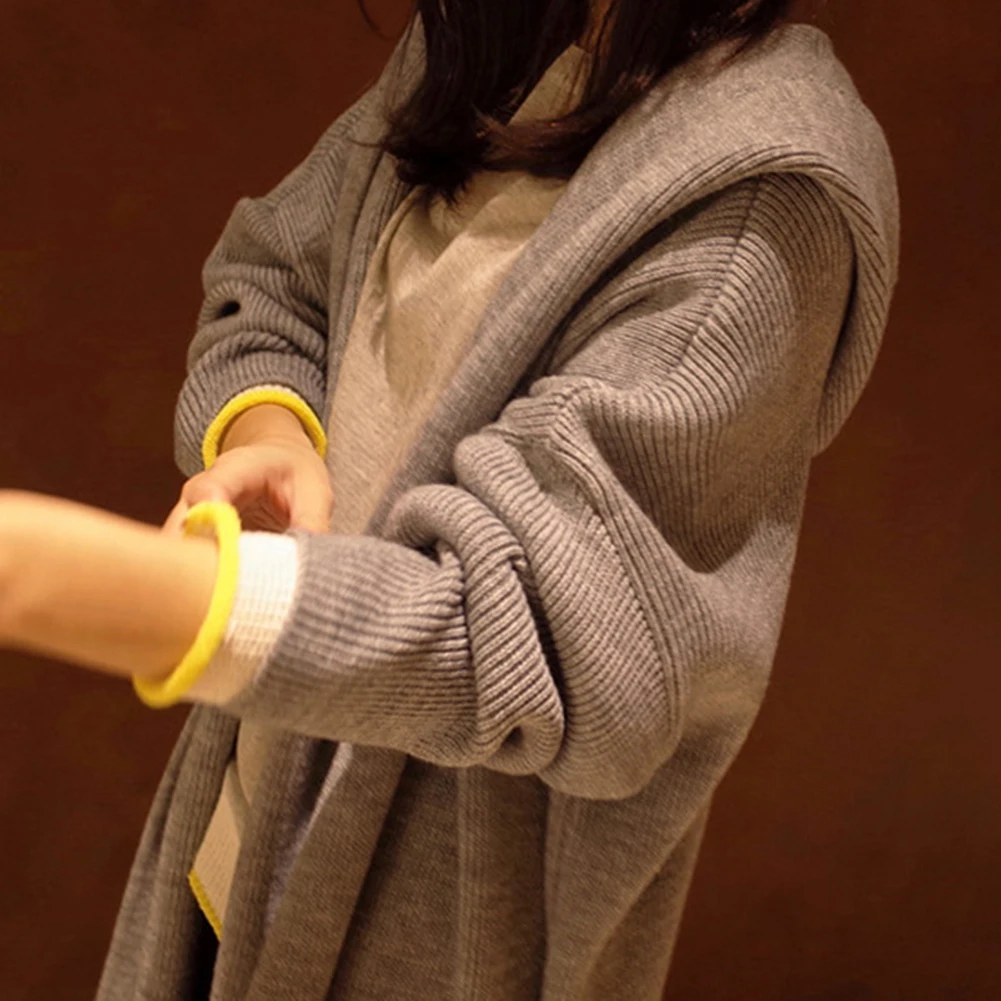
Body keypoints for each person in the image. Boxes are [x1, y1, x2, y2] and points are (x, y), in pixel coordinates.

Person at [0, 1, 900, 998]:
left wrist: (72, 582)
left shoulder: (764, 191)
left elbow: (552, 638)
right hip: (230, 862)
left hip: (434, 951)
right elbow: (275, 276)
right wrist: (273, 432)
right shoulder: (483, 41)